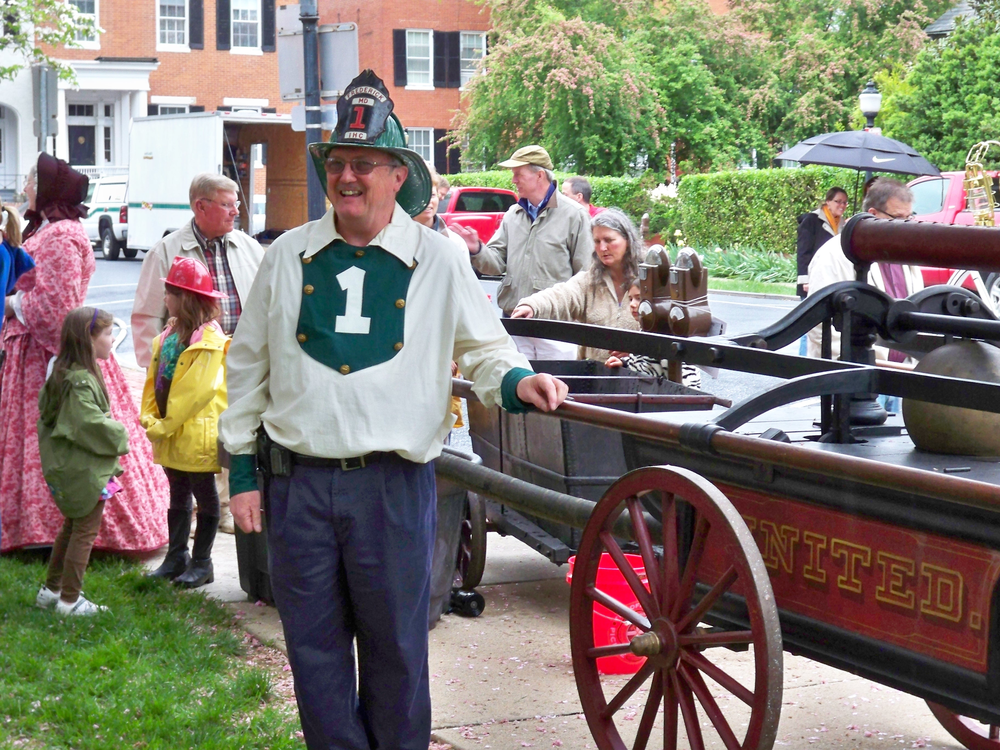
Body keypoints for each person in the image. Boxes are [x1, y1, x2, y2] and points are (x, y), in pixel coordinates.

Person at [219, 69, 568, 750]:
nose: (347, 176)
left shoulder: (438, 259)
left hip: (393, 487)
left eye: (364, 164)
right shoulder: (285, 256)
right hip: (298, 486)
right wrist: (241, 472)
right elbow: (247, 366)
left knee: (399, 655)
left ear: (397, 174)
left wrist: (518, 381)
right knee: (314, 655)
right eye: (338, 162)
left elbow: (485, 346)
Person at [0, 153, 168, 554]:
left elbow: (57, 309)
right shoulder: (53, 230)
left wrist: (9, 305)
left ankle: (63, 531)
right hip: (36, 355)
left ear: (47, 190)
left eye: (31, 183)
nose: (25, 189)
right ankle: (37, 528)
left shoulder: (62, 236)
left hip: (53, 358)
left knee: (64, 437)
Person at [132, 173, 264, 535]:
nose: (236, 210)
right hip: (191, 366)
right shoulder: (168, 251)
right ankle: (202, 510)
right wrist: (157, 375)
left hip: (241, 359)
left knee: (239, 429)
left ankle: (230, 503)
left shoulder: (249, 247)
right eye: (226, 203)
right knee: (198, 439)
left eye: (236, 203)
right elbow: (146, 315)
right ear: (200, 206)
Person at [452, 144, 592, 359]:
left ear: (539, 175)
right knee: (518, 387)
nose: (513, 180)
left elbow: (585, 275)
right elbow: (497, 263)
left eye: (518, 174)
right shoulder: (512, 215)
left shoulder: (574, 215)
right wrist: (477, 249)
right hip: (514, 322)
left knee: (559, 388)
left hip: (554, 326)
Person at [141, 257, 230, 587]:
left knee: (204, 494)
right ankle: (176, 556)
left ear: (185, 297)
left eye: (169, 292)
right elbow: (154, 380)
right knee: (177, 492)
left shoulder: (209, 340)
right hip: (172, 430)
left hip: (192, 433)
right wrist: (149, 415)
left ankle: (202, 562)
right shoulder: (169, 334)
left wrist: (162, 425)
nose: (165, 298)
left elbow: (196, 391)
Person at [35, 307, 129, 616]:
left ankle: (51, 590)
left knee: (73, 526)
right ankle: (70, 601)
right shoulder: (80, 382)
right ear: (88, 340)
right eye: (106, 333)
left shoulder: (63, 371)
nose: (111, 338)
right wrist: (121, 432)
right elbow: (89, 425)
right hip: (85, 470)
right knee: (85, 531)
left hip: (75, 467)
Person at [806, 178, 920, 361]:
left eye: (909, 218)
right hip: (850, 374)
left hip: (905, 373)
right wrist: (881, 360)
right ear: (873, 214)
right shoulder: (832, 254)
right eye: (898, 218)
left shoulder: (906, 255)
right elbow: (819, 328)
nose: (905, 226)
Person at [510, 208, 641, 362]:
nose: (602, 248)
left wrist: (635, 354)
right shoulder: (590, 281)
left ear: (627, 240)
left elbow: (665, 336)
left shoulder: (648, 282)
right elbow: (562, 295)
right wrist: (532, 305)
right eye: (597, 241)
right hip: (594, 378)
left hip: (638, 380)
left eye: (609, 240)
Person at [604, 283, 703, 388]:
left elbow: (683, 380)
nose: (632, 304)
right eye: (630, 299)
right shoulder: (647, 330)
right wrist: (624, 363)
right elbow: (645, 364)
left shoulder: (665, 333)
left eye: (639, 298)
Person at [797, 187, 848, 298]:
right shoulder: (812, 220)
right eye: (838, 201)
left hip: (832, 277)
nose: (842, 205)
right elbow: (803, 251)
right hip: (814, 277)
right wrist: (805, 280)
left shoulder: (843, 224)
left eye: (844, 202)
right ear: (828, 202)